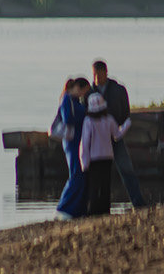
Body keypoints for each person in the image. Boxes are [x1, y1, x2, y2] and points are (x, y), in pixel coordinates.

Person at [90, 60, 148, 209]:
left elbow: (125, 112)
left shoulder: (118, 89)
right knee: (99, 175)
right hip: (97, 140)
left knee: (126, 169)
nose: (96, 78)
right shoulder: (89, 92)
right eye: (94, 75)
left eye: (99, 74)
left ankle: (138, 203)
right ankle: (97, 206)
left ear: (106, 72)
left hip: (116, 136)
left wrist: (117, 128)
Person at [77, 92, 131, 216]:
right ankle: (105, 211)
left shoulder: (88, 121)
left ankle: (93, 211)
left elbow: (85, 144)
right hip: (107, 157)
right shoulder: (109, 119)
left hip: (94, 159)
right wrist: (126, 125)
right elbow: (117, 136)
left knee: (94, 186)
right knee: (105, 185)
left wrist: (84, 163)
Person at [52, 77, 91, 217]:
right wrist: (84, 115)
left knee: (82, 175)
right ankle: (64, 208)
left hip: (79, 141)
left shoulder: (75, 101)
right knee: (76, 174)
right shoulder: (67, 99)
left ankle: (78, 209)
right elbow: (68, 118)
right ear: (78, 88)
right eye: (84, 91)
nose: (83, 95)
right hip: (72, 141)